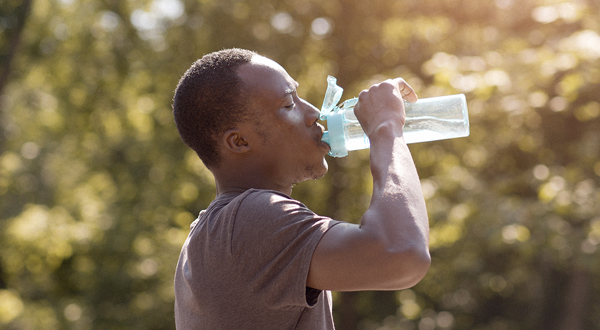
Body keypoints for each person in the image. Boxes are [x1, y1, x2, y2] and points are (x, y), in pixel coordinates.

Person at [171, 48, 430, 330]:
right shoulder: (249, 219)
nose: (314, 113)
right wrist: (386, 127)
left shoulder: (211, 232)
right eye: (288, 104)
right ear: (240, 141)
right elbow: (402, 253)